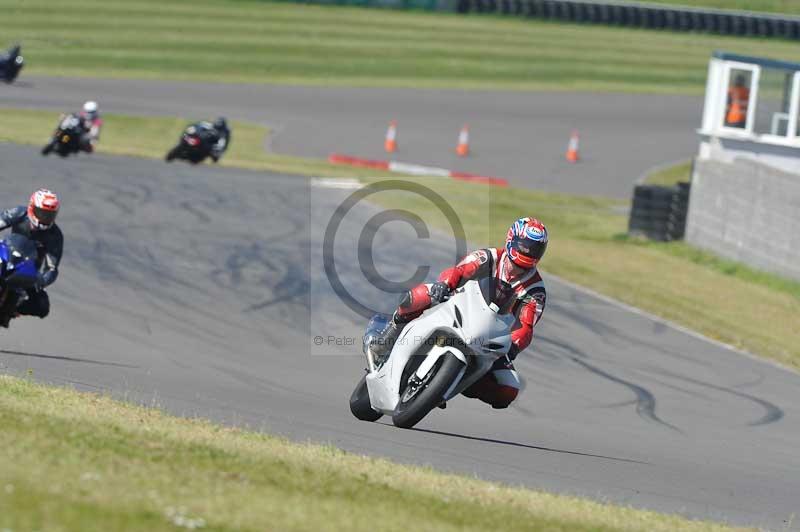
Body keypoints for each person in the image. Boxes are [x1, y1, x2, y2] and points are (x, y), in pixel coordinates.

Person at [372, 217, 548, 409]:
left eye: (535, 249)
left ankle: (451, 384)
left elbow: (526, 326)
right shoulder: (489, 257)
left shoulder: (535, 290)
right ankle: (389, 334)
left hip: (489, 336)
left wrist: (513, 348)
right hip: (458, 305)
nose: (528, 253)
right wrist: (446, 284)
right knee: (419, 296)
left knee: (508, 389)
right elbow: (461, 270)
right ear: (511, 240)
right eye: (525, 246)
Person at [0, 189, 63, 327]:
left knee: (42, 306)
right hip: (6, 256)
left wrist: (41, 281)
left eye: (49, 215)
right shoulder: (19, 213)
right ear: (31, 207)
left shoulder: (55, 236)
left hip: (28, 272)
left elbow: (52, 268)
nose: (45, 218)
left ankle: (13, 310)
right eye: (42, 213)